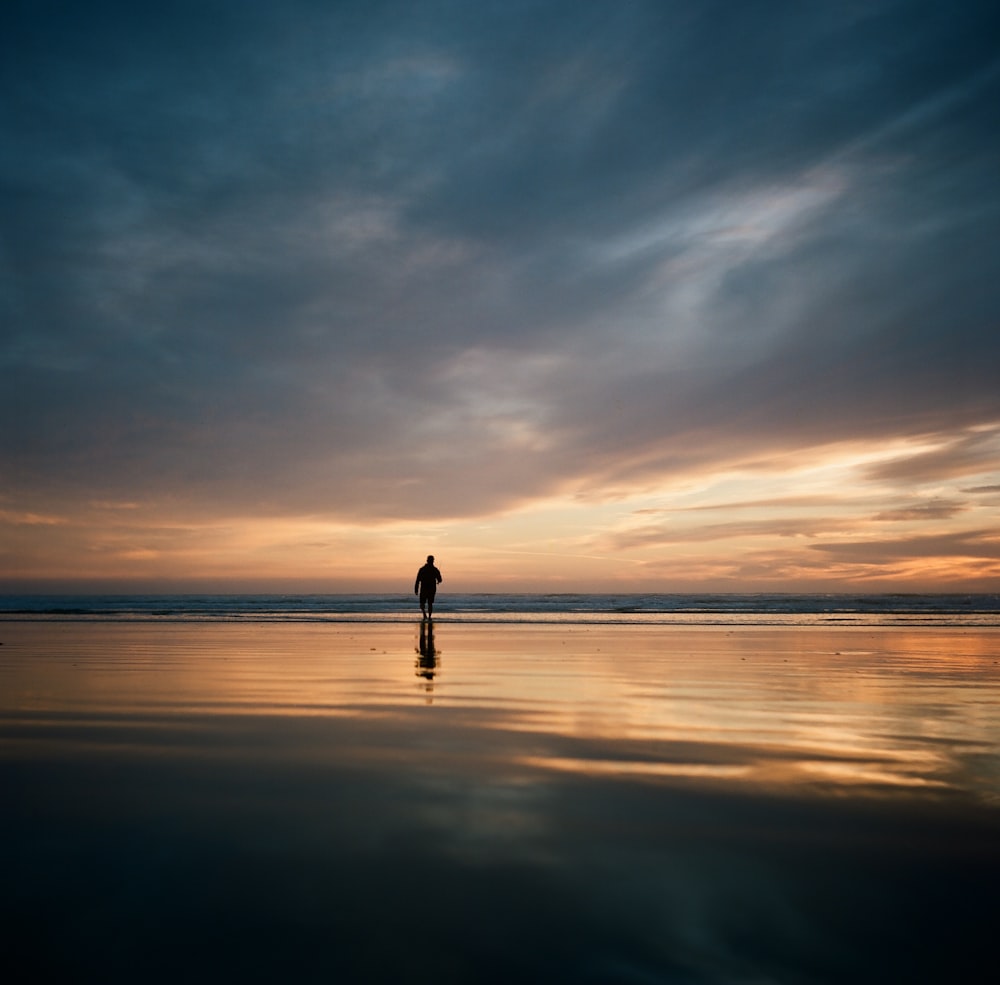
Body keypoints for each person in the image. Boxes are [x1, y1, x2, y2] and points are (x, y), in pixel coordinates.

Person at [414, 555, 442, 619]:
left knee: (422, 603)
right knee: (430, 603)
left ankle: (424, 614)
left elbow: (417, 580)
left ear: (427, 561)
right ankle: (429, 617)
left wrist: (416, 589)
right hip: (431, 589)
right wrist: (438, 581)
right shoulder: (435, 570)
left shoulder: (422, 569)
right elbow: (440, 579)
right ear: (432, 561)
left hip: (424, 589)